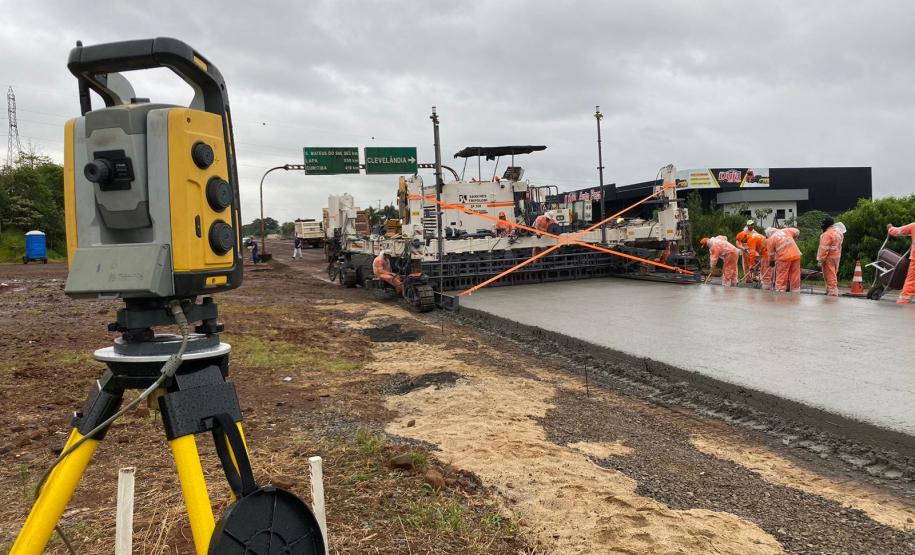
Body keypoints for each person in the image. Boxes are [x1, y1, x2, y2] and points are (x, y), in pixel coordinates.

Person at [765, 227, 801, 293]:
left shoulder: (771, 239)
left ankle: (780, 290)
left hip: (784, 258)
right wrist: (794, 238)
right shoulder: (786, 230)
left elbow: (771, 254)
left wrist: (771, 262)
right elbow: (797, 231)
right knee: (795, 275)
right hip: (796, 255)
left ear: (768, 235)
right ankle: (795, 291)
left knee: (782, 275)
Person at [887, 221, 915, 304]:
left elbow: (898, 231)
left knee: (911, 281)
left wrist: (890, 228)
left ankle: (904, 299)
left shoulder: (913, 226)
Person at [817, 217, 846, 296]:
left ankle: (832, 293)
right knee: (833, 275)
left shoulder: (827, 234)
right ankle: (829, 290)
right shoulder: (838, 233)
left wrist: (820, 260)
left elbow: (824, 248)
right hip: (836, 257)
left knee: (830, 276)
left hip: (828, 258)